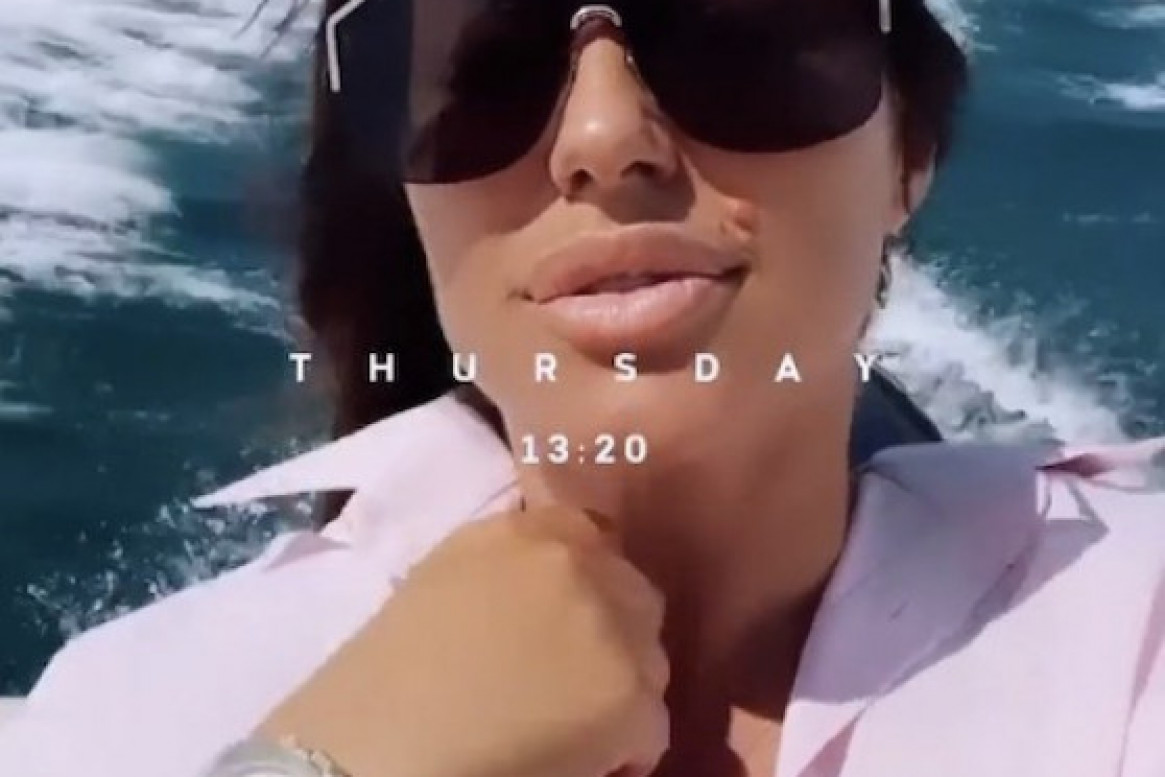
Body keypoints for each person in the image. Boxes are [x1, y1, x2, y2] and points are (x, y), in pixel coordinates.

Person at [2, 1, 1164, 776]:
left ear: (907, 157)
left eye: (739, 34)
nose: (603, 139)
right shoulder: (121, 713)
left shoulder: (1136, 631)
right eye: (481, 68)